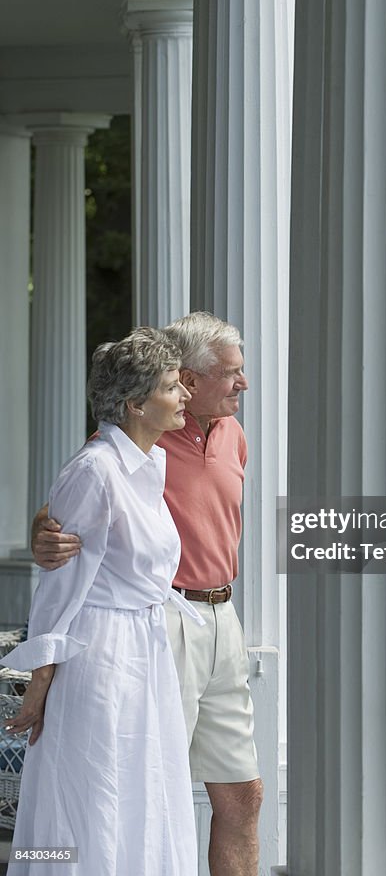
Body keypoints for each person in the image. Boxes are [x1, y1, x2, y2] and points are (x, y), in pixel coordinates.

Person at [32, 312, 263, 876]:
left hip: (220, 616)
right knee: (138, 792)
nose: (243, 383)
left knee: (244, 794)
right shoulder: (137, 441)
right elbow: (77, 495)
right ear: (187, 377)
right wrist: (42, 531)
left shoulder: (228, 436)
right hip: (153, 624)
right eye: (231, 372)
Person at [2, 327, 202, 876]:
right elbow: (59, 588)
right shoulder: (95, 469)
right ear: (136, 404)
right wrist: (40, 684)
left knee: (142, 789)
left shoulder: (147, 464)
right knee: (91, 792)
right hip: (100, 653)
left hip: (144, 647)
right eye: (170, 385)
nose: (184, 392)